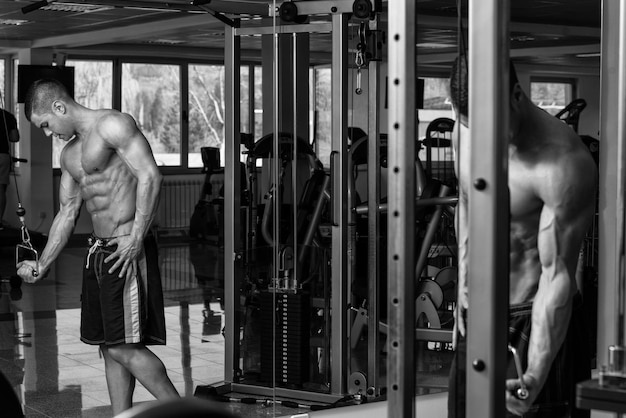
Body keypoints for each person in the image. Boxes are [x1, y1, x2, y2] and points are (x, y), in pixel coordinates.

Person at [16, 78, 180, 415]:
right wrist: (42, 263)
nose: (48, 133)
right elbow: (67, 212)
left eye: (45, 124)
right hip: (98, 253)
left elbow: (150, 175)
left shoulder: (113, 125)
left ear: (59, 107)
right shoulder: (71, 152)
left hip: (126, 249)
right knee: (109, 346)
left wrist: (136, 237)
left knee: (123, 348)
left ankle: (184, 413)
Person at [447, 57, 597, 417]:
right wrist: (463, 289)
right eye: (472, 127)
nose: (485, 143)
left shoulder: (562, 164)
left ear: (516, 96)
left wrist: (534, 374)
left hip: (538, 317)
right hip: (480, 313)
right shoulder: (463, 132)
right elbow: (467, 202)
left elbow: (556, 278)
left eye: (495, 130)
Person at [0, 107, 20, 230]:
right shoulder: (7, 116)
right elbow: (14, 137)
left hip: (3, 155)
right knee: (0, 189)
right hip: (3, 155)